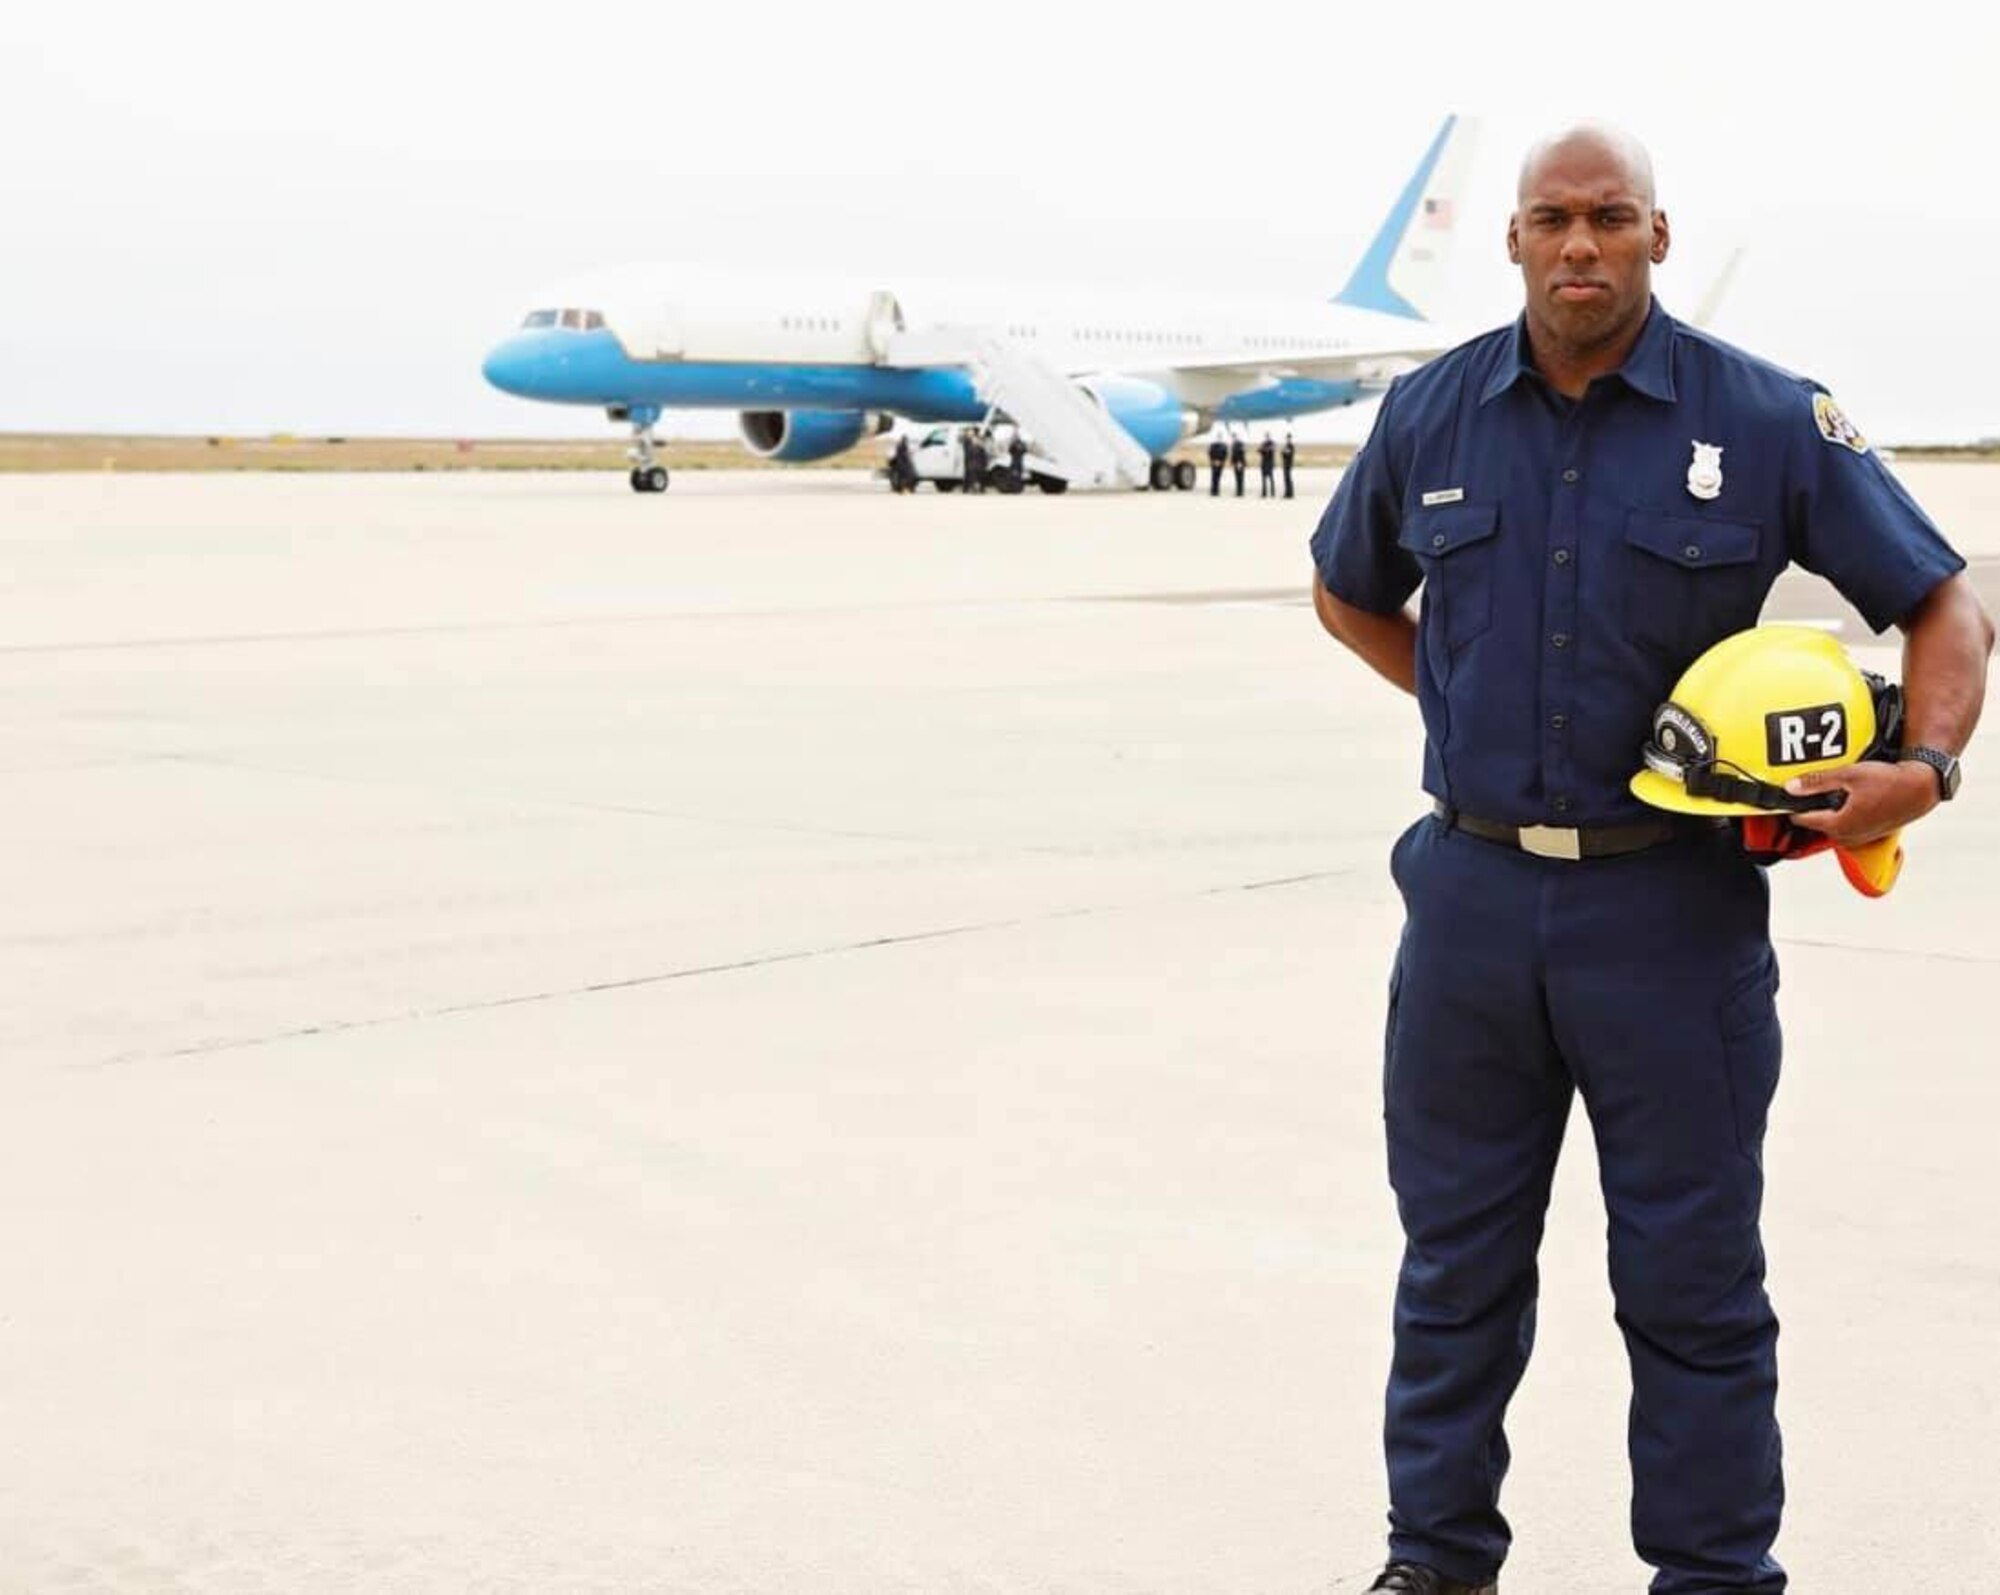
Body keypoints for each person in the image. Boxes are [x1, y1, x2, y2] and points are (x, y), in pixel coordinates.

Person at [1308, 123, 1992, 1595]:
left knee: (1691, 1281)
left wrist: (1919, 775)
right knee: (1454, 1273)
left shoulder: (1763, 418)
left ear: (1657, 239)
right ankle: (1433, 1563)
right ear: (1512, 241)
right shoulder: (1430, 413)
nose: (1579, 245)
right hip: (1473, 902)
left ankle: (1714, 1574)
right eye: (1551, 218)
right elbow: (1347, 591)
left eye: (1610, 218)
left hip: (1668, 913)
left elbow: (1949, 610)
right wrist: (1461, 699)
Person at [963, 427, 986, 494]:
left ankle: (978, 488)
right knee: (972, 476)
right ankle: (972, 488)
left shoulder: (979, 447)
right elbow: (968, 454)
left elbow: (983, 456)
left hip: (976, 464)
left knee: (977, 476)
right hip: (973, 464)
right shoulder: (968, 443)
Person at [1258, 432, 1277, 497]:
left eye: (1268, 436)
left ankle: (1272, 493)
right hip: (1263, 463)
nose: (1267, 437)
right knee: (1263, 479)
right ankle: (1264, 493)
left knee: (1271, 479)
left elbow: (1272, 450)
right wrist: (1265, 450)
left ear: (1270, 437)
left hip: (1269, 463)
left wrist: (1264, 450)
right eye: (1266, 436)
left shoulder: (1272, 443)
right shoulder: (1263, 443)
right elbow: (1259, 450)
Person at [1229, 432, 1247, 497]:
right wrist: (1232, 462)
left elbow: (1240, 455)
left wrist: (1239, 463)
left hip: (1239, 463)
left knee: (1240, 478)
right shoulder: (1234, 444)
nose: (1233, 438)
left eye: (1234, 437)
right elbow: (1233, 455)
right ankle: (1238, 491)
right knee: (1237, 478)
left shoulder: (1239, 444)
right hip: (1237, 463)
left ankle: (1240, 492)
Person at [1281, 429, 1296, 499]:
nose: (1287, 439)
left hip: (1289, 464)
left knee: (1289, 479)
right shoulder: (1286, 445)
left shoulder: (1291, 445)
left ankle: (1290, 494)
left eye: (1288, 438)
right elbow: (1283, 453)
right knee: (1286, 479)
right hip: (1285, 463)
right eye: (1287, 438)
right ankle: (1286, 493)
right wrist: (1285, 451)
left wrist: (1285, 451)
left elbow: (1289, 453)